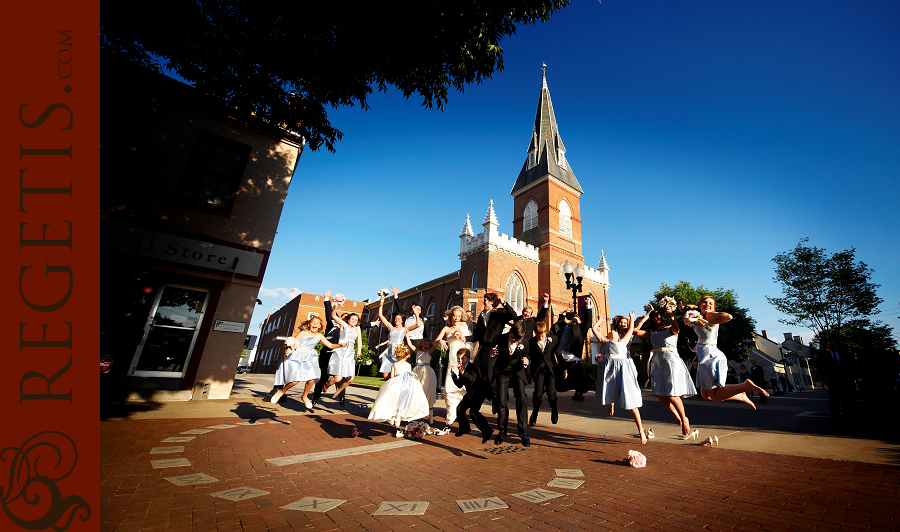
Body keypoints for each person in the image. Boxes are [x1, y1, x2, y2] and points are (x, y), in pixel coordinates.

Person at [678, 297, 768, 407]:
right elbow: (694, 308)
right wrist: (685, 309)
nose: (707, 305)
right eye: (704, 302)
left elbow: (728, 317)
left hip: (710, 355)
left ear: (714, 307)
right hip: (703, 354)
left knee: (714, 395)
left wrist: (707, 323)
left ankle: (745, 386)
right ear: (700, 305)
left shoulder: (709, 316)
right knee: (706, 395)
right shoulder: (699, 315)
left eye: (711, 303)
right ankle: (740, 395)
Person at [632, 304, 697, 437]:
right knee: (660, 393)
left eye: (657, 314)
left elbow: (676, 329)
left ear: (663, 316)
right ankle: (675, 414)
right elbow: (634, 331)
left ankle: (684, 418)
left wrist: (671, 314)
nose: (656, 317)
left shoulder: (670, 328)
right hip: (657, 362)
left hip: (671, 361)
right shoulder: (652, 331)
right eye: (653, 316)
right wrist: (643, 318)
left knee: (672, 394)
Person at [592, 310, 649, 444]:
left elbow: (630, 330)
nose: (613, 332)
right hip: (611, 372)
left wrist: (631, 318)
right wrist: (600, 320)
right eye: (612, 331)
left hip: (623, 373)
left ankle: (641, 430)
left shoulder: (622, 342)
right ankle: (611, 403)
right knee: (611, 387)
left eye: (615, 332)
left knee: (630, 401)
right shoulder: (604, 342)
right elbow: (594, 329)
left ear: (618, 337)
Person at [271, 317, 347, 408]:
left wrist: (340, 345)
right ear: (308, 324)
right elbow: (293, 343)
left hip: (310, 357)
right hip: (298, 356)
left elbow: (330, 345)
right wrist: (289, 350)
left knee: (311, 379)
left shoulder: (319, 336)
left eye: (317, 323)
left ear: (319, 326)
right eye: (313, 322)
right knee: (295, 381)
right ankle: (282, 391)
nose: (315, 324)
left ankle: (304, 396)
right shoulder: (303, 333)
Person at [488, 322, 532, 446]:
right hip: (503, 371)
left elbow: (527, 354)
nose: (515, 341)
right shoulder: (499, 339)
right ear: (510, 331)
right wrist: (492, 353)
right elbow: (492, 354)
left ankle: (523, 433)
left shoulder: (525, 343)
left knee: (522, 398)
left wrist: (526, 360)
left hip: (518, 371)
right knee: (501, 401)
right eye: (513, 338)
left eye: (518, 340)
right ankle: (502, 431)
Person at [472, 293, 517, 409]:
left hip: (494, 349)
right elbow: (477, 335)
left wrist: (503, 303)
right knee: (478, 373)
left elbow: (514, 315)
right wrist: (462, 338)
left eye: (485, 300)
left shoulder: (499, 313)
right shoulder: (481, 315)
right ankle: (486, 398)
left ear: (491, 302)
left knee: (492, 378)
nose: (483, 301)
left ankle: (498, 400)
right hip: (483, 350)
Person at [368, 344, 430, 427]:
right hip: (408, 384)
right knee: (404, 401)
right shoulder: (408, 365)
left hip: (397, 384)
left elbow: (392, 376)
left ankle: (393, 417)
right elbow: (410, 375)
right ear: (407, 355)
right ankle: (398, 418)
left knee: (394, 401)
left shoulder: (394, 365)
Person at [434, 306, 474, 430]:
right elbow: (435, 341)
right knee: (448, 391)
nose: (456, 318)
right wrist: (440, 341)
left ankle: (461, 414)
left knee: (463, 390)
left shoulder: (464, 326)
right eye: (454, 315)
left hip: (462, 361)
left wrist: (461, 337)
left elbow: (468, 343)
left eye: (458, 315)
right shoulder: (446, 328)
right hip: (452, 363)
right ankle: (450, 417)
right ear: (450, 317)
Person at [449, 349, 493, 444]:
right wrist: (454, 376)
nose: (460, 361)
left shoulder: (473, 367)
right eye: (458, 359)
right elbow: (460, 384)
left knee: (473, 412)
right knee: (460, 408)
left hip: (479, 392)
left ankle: (487, 430)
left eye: (462, 358)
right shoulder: (462, 369)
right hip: (470, 393)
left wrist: (463, 373)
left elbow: (473, 379)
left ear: (468, 359)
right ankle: (464, 428)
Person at [375, 288, 420, 379]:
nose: (397, 320)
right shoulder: (390, 327)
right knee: (385, 376)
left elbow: (417, 325)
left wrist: (416, 314)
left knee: (395, 375)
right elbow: (380, 315)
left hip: (398, 353)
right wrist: (381, 303)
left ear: (402, 321)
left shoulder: (404, 329)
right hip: (389, 352)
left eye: (399, 319)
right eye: (396, 319)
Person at [321, 310, 361, 407]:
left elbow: (359, 341)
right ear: (348, 320)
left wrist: (359, 351)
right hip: (341, 351)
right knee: (337, 378)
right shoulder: (344, 325)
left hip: (350, 353)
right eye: (352, 319)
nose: (354, 321)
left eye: (356, 320)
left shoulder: (357, 328)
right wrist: (335, 305)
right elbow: (334, 315)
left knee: (350, 378)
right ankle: (326, 386)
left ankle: (339, 390)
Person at [553, 311, 593, 400]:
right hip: (562, 359)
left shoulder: (581, 331)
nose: (575, 321)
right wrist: (563, 314)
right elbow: (558, 323)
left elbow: (587, 321)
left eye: (577, 320)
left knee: (580, 384)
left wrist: (588, 307)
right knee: (559, 385)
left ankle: (587, 384)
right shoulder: (564, 327)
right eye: (573, 319)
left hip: (573, 360)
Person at [312, 291, 343, 406]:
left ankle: (341, 397)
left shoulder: (344, 327)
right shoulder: (330, 323)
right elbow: (328, 312)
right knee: (323, 375)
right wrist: (327, 299)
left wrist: (373, 323)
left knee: (339, 376)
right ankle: (316, 395)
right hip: (327, 351)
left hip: (337, 353)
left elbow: (358, 325)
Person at [528, 320, 559, 426]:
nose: (540, 338)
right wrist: (529, 374)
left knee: (551, 394)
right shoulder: (531, 342)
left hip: (550, 370)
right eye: (538, 336)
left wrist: (564, 369)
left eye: (542, 335)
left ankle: (554, 411)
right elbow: (530, 358)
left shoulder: (553, 339)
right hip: (539, 371)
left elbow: (558, 354)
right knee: (537, 394)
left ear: (546, 332)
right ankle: (534, 413)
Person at [819, 340, 855, 420]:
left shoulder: (843, 354)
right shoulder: (824, 356)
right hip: (832, 380)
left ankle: (847, 413)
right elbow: (821, 368)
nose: (831, 346)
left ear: (836, 345)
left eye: (833, 344)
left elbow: (850, 365)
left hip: (844, 379)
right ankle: (834, 414)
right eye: (829, 344)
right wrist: (824, 379)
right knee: (834, 398)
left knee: (846, 397)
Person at [406, 335, 437, 424]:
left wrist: (441, 340)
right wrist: (407, 335)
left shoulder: (429, 352)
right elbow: (410, 344)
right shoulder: (417, 351)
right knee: (416, 391)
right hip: (417, 372)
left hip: (426, 372)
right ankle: (414, 412)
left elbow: (435, 345)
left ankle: (430, 414)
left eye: (428, 344)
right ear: (421, 344)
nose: (426, 346)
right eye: (424, 344)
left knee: (427, 391)